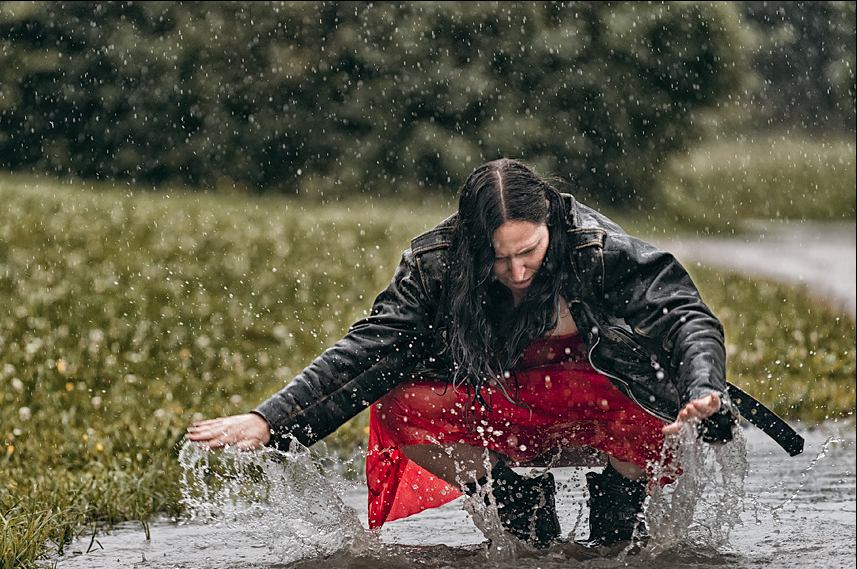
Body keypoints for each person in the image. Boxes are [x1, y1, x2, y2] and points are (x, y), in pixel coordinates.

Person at [186, 158, 738, 548]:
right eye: (499, 259)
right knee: (402, 402)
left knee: (618, 552)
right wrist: (270, 419)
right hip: (506, 403)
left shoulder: (599, 249)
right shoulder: (436, 263)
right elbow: (370, 347)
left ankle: (618, 516)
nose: (518, 272)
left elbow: (686, 314)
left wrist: (703, 386)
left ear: (550, 222)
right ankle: (516, 497)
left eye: (530, 251)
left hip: (604, 400)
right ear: (474, 245)